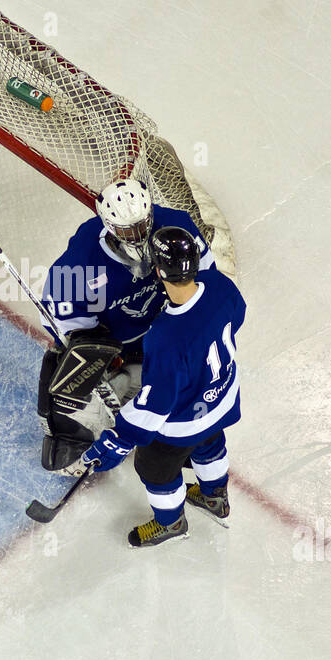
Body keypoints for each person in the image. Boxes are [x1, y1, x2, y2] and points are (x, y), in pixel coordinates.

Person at [62, 225, 246, 547]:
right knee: (210, 443)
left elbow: (155, 405)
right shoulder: (220, 286)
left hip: (185, 422)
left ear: (158, 271)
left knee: (153, 469)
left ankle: (171, 523)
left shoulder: (166, 336)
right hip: (223, 398)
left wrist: (118, 440)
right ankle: (215, 496)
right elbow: (238, 316)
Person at [37, 178, 214, 471]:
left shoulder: (175, 228)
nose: (139, 235)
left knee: (187, 378)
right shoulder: (83, 257)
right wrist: (93, 346)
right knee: (66, 364)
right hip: (113, 337)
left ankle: (179, 439)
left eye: (143, 224)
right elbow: (55, 311)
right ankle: (68, 435)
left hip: (160, 329)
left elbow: (206, 278)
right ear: (108, 225)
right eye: (127, 230)